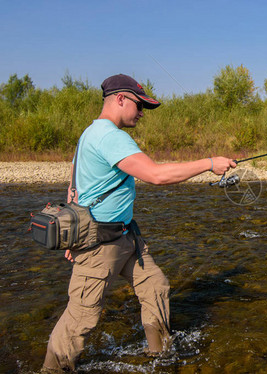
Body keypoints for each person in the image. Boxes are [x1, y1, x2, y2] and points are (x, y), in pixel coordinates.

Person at [41, 74, 236, 373]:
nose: (142, 112)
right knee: (82, 317)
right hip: (100, 244)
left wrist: (72, 237)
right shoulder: (110, 136)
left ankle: (159, 357)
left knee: (155, 285)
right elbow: (156, 175)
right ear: (120, 99)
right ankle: (52, 370)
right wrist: (209, 163)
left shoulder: (90, 133)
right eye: (140, 105)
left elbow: (73, 183)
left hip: (126, 236)